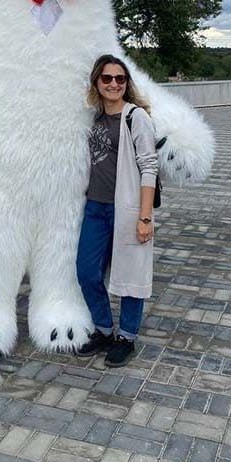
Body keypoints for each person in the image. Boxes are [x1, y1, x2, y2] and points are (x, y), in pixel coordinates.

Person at [76, 54, 158, 367]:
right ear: (97, 82)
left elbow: (149, 166)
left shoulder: (135, 117)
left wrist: (145, 216)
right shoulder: (94, 118)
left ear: (126, 84)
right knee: (86, 271)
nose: (114, 84)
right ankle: (103, 329)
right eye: (107, 78)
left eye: (120, 79)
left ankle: (126, 337)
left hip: (127, 208)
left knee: (130, 274)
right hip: (95, 207)